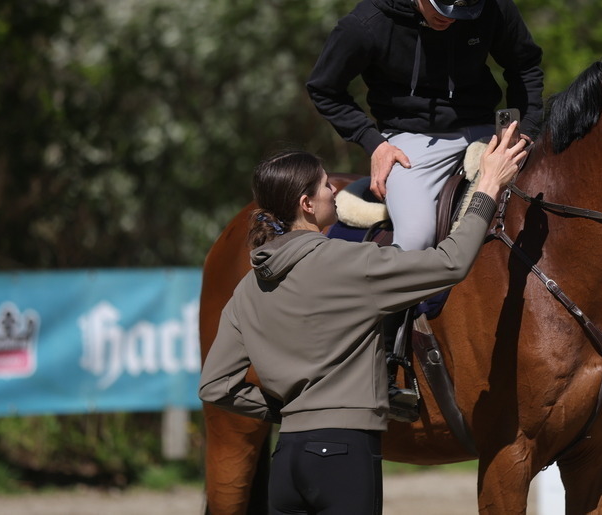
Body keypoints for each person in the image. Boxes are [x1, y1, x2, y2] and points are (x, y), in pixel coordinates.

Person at [198, 123, 527, 515]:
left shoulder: (249, 287)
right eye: (324, 186)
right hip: (343, 457)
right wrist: (488, 185)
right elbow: (452, 263)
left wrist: (290, 410)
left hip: (287, 460)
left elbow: (215, 386)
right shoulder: (348, 262)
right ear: (306, 204)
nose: (333, 190)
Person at [306, 0, 544, 253]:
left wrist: (526, 129)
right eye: (441, 7)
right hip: (410, 143)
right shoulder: (366, 25)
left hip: (485, 132)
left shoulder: (492, 3)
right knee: (415, 239)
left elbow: (524, 65)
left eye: (463, 11)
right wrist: (374, 143)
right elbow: (324, 88)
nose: (452, 19)